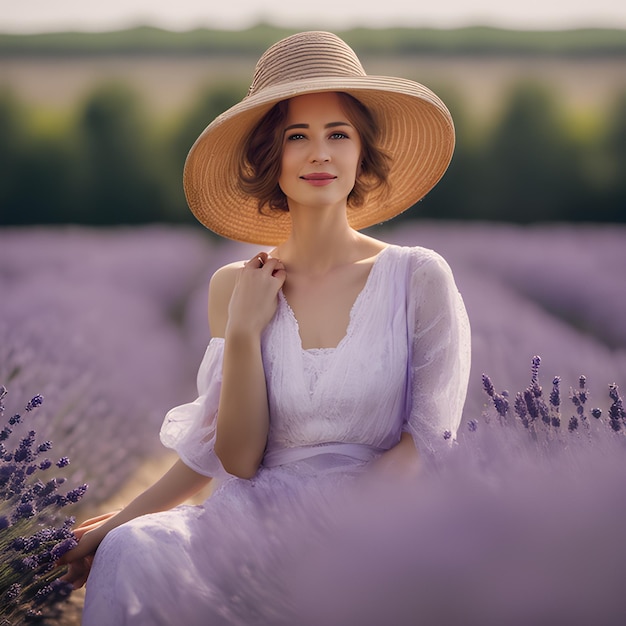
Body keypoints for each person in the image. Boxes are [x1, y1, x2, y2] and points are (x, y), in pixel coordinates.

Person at [59, 30, 471, 624]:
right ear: (268, 158)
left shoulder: (418, 277)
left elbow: (428, 443)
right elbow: (231, 456)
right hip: (254, 517)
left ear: (363, 152)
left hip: (377, 521)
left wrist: (332, 530)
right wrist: (247, 330)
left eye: (338, 134)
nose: (320, 153)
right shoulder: (235, 285)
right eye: (296, 137)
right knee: (135, 550)